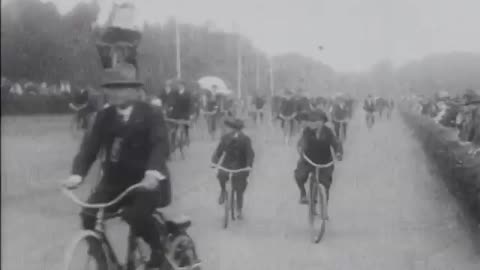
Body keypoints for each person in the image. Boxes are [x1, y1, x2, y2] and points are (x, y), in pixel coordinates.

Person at [62, 63, 171, 268]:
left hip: (146, 183)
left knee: (135, 215)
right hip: (114, 183)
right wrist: (77, 175)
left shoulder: (151, 114)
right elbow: (89, 148)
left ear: (134, 91)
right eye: (110, 88)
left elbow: (160, 144)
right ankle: (101, 259)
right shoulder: (105, 116)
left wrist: (152, 173)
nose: (113, 93)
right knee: (88, 214)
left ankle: (158, 250)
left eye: (119, 88)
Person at [295, 110, 343, 204]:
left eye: (320, 121)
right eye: (314, 121)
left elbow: (335, 143)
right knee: (299, 175)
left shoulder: (328, 132)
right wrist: (300, 148)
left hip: (325, 162)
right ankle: (303, 194)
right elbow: (302, 142)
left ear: (323, 122)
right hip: (309, 160)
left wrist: (338, 153)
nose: (317, 123)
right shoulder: (307, 131)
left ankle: (324, 205)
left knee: (326, 183)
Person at [211, 118, 255, 219]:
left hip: (241, 166)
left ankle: (239, 210)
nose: (235, 132)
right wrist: (214, 162)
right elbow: (219, 151)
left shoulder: (245, 139)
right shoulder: (226, 138)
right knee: (221, 175)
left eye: (237, 129)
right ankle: (223, 191)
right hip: (229, 165)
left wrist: (249, 166)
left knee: (239, 188)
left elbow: (250, 154)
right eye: (234, 129)